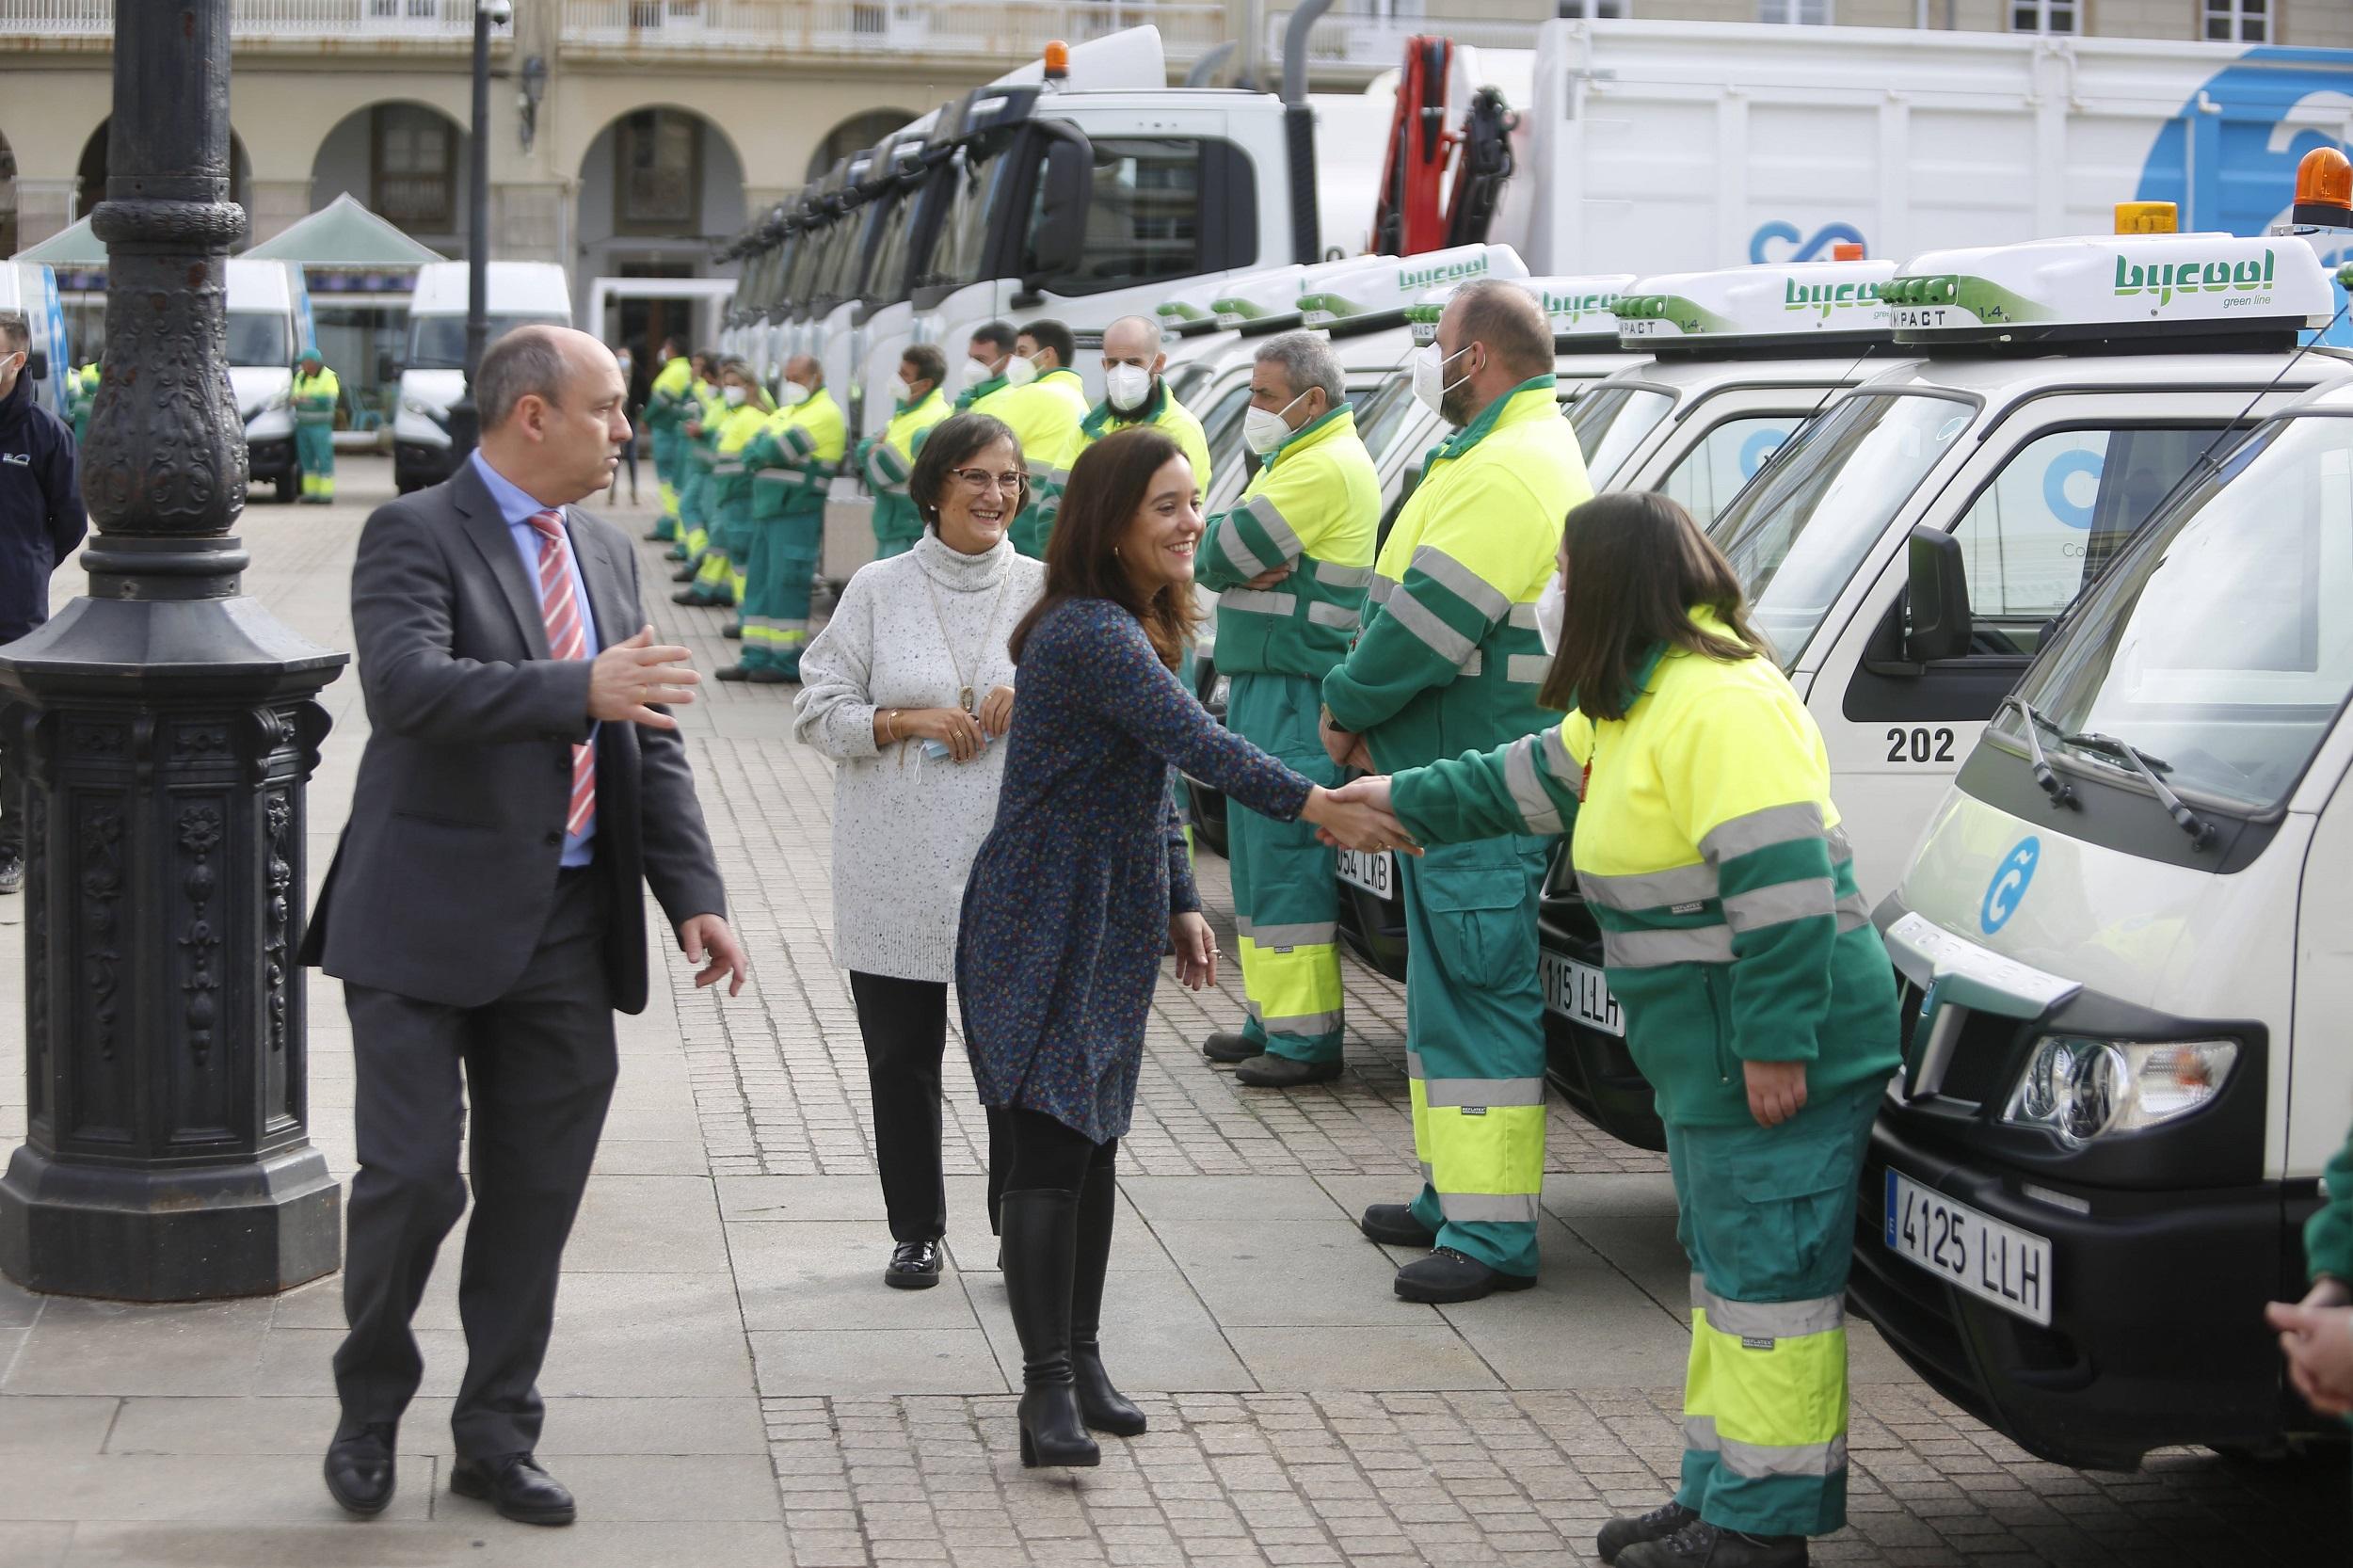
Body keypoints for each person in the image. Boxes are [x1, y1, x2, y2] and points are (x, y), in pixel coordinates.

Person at [1330, 491, 1898, 1568]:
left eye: (1561, 573)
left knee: (1769, 1287)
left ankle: (1760, 1530)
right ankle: (1718, 1494)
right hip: (1714, 1055)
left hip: (1774, 1053)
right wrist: (1393, 795)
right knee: (1731, 1278)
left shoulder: (1721, 703)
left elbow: (1780, 890)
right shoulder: (1634, 699)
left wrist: (1778, 1042)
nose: (1549, 593)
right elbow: (1520, 776)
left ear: (1608, 587)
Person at [302, 325, 749, 1528]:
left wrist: (692, 893)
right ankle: (368, 1403)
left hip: (563, 922)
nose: (626, 430)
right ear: (534, 414)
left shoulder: (605, 549)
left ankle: (497, 1433)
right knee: (409, 1179)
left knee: (535, 1189)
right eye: (608, 408)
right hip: (418, 917)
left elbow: (646, 734)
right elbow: (402, 688)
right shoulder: (412, 530)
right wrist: (573, 689)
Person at [954, 425, 1409, 1471]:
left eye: (1193, 502)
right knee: (1048, 1148)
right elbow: (1200, 748)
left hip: (1105, 912)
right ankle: (1044, 1394)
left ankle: (1082, 1358)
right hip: (1039, 914)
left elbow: (1151, 776)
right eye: (1167, 504)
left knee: (1096, 1138)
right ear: (1110, 525)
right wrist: (1316, 806)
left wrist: (1179, 900)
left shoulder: (1135, 627)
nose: (1192, 522)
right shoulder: (1088, 634)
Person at [1320, 280, 1592, 1305]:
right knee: (1444, 1005)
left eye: (1438, 345)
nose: (1428, 361)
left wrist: (1344, 706)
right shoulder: (1492, 452)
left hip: (1478, 786)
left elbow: (1430, 621)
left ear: (1477, 356)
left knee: (1479, 1003)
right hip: (1448, 784)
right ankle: (1452, 1193)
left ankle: (1490, 1230)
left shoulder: (1515, 464)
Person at [793, 412, 1045, 1288]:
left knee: (1010, 1063)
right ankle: (916, 1231)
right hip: (891, 867)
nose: (996, 494)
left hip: (1007, 875)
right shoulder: (877, 588)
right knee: (901, 1062)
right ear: (935, 489)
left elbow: (1105, 709)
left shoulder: (1049, 590)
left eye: (1009, 479)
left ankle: (1020, 1227)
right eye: (976, 477)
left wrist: (1035, 699)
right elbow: (816, 710)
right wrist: (902, 721)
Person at [1193, 331, 1378, 1088]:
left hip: (1298, 692)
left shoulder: (1320, 467)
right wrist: (1218, 538)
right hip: (1269, 685)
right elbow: (1215, 546)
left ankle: (1303, 1042)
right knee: (1258, 865)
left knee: (1286, 865)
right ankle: (1270, 1016)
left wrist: (1214, 539)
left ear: (1311, 399)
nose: (1254, 410)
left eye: (1265, 396)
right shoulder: (1295, 460)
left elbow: (1210, 555)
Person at [0, 311, 88, 896]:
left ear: (16, 361)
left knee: (11, 733)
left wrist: (28, 567)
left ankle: (13, 849)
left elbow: (71, 521)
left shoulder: (44, 433)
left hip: (13, 614)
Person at [728, 353, 845, 683]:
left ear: (816, 378)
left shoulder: (824, 413)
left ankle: (783, 662)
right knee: (760, 585)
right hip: (770, 511)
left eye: (796, 378)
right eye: (787, 378)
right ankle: (754, 657)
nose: (790, 384)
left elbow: (769, 451)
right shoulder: (789, 412)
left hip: (796, 512)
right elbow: (751, 448)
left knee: (785, 586)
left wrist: (763, 450)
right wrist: (762, 449)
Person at [970, 320, 1088, 559]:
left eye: (1022, 352)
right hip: (1058, 523)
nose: (1014, 361)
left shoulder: (1037, 394)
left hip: (1023, 523)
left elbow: (972, 443)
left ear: (1047, 355)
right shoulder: (1079, 401)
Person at [1073, 315, 1211, 490]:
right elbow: (1055, 502)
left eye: (1133, 362)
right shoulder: (1088, 428)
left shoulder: (1180, 429)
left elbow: (1177, 509)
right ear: (1104, 364)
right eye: (1113, 363)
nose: (1121, 373)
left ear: (1159, 363)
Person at [698, 358, 776, 644]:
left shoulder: (753, 418)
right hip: (732, 497)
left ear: (749, 386)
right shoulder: (739, 415)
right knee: (741, 561)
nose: (729, 390)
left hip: (742, 498)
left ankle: (747, 618)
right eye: (727, 385)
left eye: (735, 385)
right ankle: (745, 617)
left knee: (745, 563)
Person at [856, 344, 952, 561]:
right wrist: (871, 447)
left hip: (907, 528)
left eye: (904, 374)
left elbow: (882, 472)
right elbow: (864, 448)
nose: (897, 379)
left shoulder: (927, 416)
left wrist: (873, 448)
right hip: (897, 524)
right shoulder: (906, 414)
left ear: (925, 383)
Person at [672, 352, 734, 605]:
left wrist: (704, 431)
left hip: (722, 475)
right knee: (698, 515)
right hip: (709, 470)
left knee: (720, 533)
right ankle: (699, 559)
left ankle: (707, 583)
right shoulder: (719, 400)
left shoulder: (732, 403)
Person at [645, 340, 694, 545]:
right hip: (674, 432)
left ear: (672, 350)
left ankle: (670, 523)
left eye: (665, 348)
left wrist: (645, 418)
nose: (663, 352)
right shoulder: (684, 370)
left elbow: (660, 402)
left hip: (667, 431)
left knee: (668, 480)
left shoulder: (675, 371)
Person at [292, 348, 340, 506]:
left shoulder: (329, 376)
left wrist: (308, 398)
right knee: (307, 461)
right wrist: (303, 399)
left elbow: (330, 399)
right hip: (303, 426)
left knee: (324, 458)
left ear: (313, 364)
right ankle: (310, 493)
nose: (302, 367)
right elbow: (295, 397)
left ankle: (326, 494)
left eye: (304, 363)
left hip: (321, 427)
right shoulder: (300, 377)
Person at [954, 321, 1017, 412]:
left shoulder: (1010, 400)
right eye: (970, 358)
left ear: (1007, 360)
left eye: (980, 359)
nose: (971, 366)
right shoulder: (970, 396)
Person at [607, 344, 640, 506]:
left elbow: (645, 393)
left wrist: (639, 410)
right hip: (615, 420)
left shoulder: (638, 375)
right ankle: (611, 493)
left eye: (625, 356)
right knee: (615, 457)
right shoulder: (610, 376)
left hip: (631, 420)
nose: (623, 360)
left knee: (632, 456)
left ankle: (634, 492)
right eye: (620, 356)